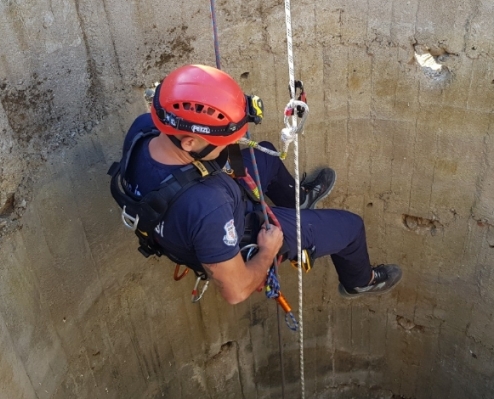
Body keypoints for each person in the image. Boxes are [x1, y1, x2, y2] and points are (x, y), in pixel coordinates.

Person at [119, 64, 401, 304]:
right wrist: (267, 250)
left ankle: (298, 200)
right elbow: (236, 290)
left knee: (263, 154)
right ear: (189, 142)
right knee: (351, 228)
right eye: (224, 141)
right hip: (242, 230)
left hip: (187, 199)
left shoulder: (146, 128)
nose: (233, 143)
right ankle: (360, 281)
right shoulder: (207, 206)